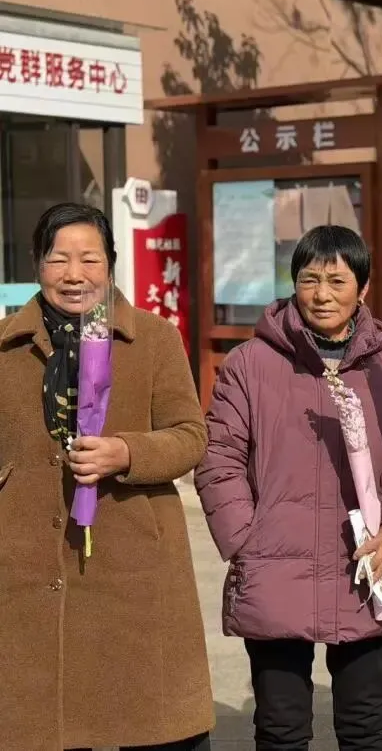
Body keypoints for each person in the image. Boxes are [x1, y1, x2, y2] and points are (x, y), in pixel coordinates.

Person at [195, 225, 382, 751]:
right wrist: (245, 540)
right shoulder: (249, 364)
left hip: (365, 567)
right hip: (273, 568)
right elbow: (219, 460)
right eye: (310, 280)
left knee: (365, 724)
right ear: (293, 284)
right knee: (281, 728)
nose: (322, 294)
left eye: (337, 280)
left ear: (363, 288)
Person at [0, 203, 213, 751]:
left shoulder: (154, 339)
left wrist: (126, 452)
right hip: (26, 571)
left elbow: (191, 436)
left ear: (111, 264)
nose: (74, 274)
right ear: (37, 264)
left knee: (142, 718)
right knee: (42, 722)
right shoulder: (4, 347)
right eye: (58, 260)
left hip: (132, 565)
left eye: (90, 259)